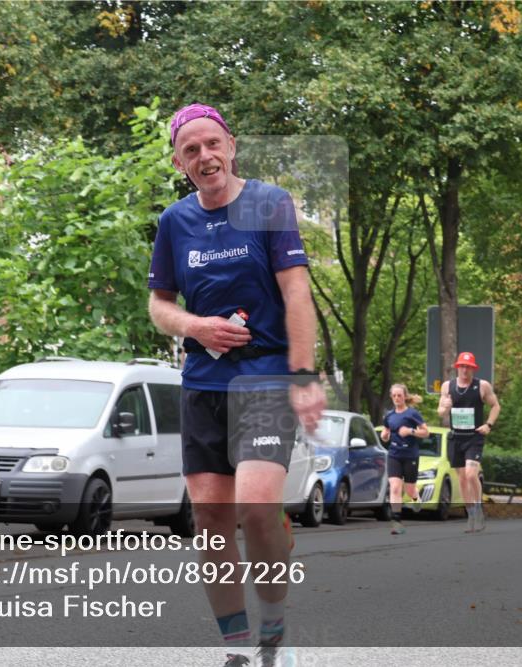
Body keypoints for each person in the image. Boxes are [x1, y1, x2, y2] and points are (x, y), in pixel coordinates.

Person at [148, 103, 326, 667]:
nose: (205, 157)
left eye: (212, 144)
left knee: (253, 507)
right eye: (191, 150)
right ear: (179, 162)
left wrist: (303, 376)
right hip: (203, 380)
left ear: (231, 146)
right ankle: (236, 649)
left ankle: (274, 632)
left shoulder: (268, 203)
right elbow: (159, 306)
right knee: (210, 518)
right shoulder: (175, 222)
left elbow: (297, 293)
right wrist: (195, 327)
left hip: (265, 374)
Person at [437, 352, 501, 533]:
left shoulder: (482, 386)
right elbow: (440, 412)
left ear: (473, 368)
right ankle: (471, 514)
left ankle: (479, 508)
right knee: (463, 479)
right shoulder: (447, 387)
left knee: (472, 474)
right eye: (462, 366)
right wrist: (445, 407)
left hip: (474, 437)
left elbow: (496, 406)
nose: (465, 370)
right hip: (456, 437)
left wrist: (488, 424)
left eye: (468, 367)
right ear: (458, 367)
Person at [380, 384, 428, 535]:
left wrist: (410, 431)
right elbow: (386, 430)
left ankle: (416, 498)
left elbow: (425, 432)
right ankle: (397, 523)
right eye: (394, 396)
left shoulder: (412, 414)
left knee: (409, 489)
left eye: (399, 395)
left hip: (410, 455)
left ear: (405, 396)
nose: (396, 398)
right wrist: (384, 435)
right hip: (394, 454)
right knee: (394, 487)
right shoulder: (389, 416)